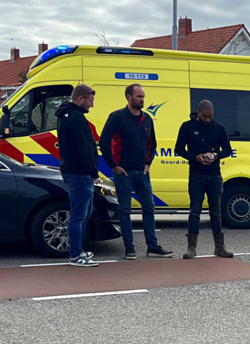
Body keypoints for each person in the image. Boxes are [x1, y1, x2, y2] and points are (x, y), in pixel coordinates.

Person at [99, 84, 174, 260]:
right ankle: (129, 247)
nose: (142, 100)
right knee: (125, 210)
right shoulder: (117, 117)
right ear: (128, 97)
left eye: (143, 96)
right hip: (123, 172)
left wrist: (148, 163)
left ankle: (152, 246)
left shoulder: (147, 119)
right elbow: (104, 141)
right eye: (139, 96)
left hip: (142, 172)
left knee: (149, 208)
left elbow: (152, 143)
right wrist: (113, 165)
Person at [175, 99, 233, 259]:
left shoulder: (219, 127)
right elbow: (179, 148)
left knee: (216, 212)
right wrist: (196, 157)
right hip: (196, 174)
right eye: (205, 116)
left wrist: (215, 155)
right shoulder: (187, 126)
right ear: (198, 112)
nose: (207, 119)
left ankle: (219, 247)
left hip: (214, 175)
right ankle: (191, 247)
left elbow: (227, 149)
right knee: (195, 211)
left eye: (210, 116)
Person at [57, 84, 100, 267]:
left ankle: (79, 250)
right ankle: (75, 254)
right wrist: (93, 172)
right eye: (90, 101)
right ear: (80, 98)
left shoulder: (64, 115)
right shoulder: (76, 118)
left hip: (73, 171)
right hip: (79, 173)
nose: (92, 105)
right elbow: (84, 147)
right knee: (79, 215)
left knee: (84, 214)